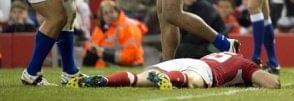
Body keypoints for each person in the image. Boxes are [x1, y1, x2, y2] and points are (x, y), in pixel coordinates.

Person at [68, 51, 280, 89]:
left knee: (138, 79)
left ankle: (105, 81)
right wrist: (255, 77)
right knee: (192, 80)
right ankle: (168, 79)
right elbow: (273, 83)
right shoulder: (246, 65)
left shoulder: (225, 53)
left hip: (188, 60)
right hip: (205, 70)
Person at [83, 0, 147, 68]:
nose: (109, 15)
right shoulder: (100, 28)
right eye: (106, 13)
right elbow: (90, 47)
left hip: (130, 65)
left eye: (111, 12)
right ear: (102, 16)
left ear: (118, 12)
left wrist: (104, 53)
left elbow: (130, 56)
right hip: (106, 65)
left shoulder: (129, 27)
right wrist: (94, 50)